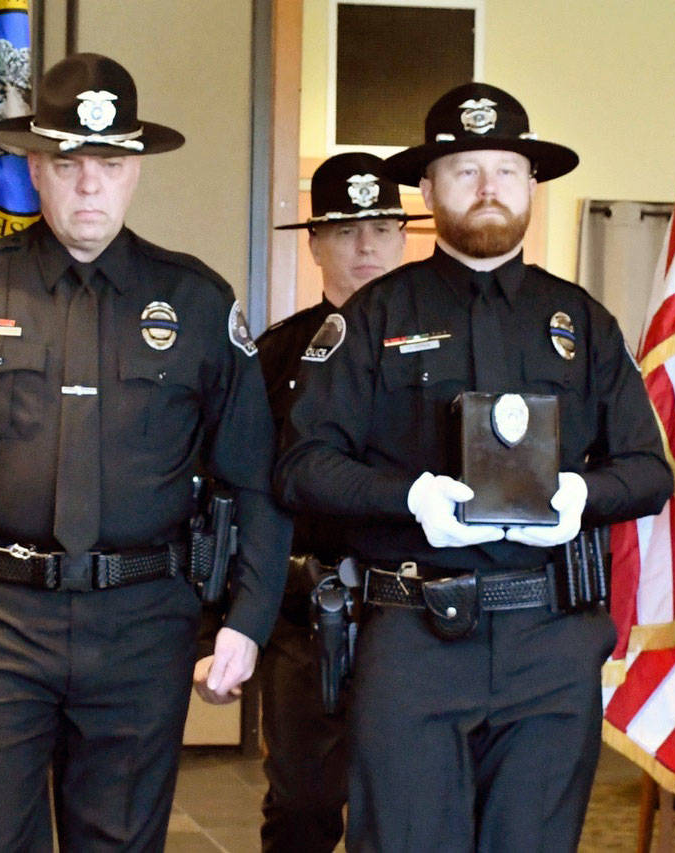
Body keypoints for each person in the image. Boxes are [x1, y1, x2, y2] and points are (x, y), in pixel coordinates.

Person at [0, 53, 288, 850]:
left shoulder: (198, 303)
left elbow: (253, 476)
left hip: (142, 624)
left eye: (109, 163)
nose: (89, 186)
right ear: (35, 168)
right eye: (68, 164)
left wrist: (247, 618)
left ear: (135, 169)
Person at [274, 82, 673, 851]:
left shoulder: (583, 322)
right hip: (414, 636)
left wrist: (580, 494)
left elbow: (648, 472)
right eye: (465, 170)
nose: (489, 187)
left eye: (507, 170)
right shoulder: (372, 319)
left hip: (550, 638)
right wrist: (409, 497)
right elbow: (302, 467)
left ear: (532, 184)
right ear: (428, 190)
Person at [253, 152, 426, 852]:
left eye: (382, 228)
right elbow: (245, 491)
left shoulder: (443, 345)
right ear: (315, 243)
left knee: (407, 810)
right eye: (346, 231)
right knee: (302, 806)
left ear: (404, 239)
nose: (366, 247)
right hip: (308, 612)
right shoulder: (276, 355)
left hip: (418, 613)